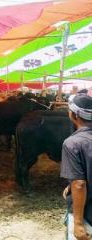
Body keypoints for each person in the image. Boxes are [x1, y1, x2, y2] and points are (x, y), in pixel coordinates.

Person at [61, 94, 92, 240]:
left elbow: (79, 183)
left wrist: (78, 224)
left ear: (74, 114)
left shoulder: (72, 143)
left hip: (88, 214)